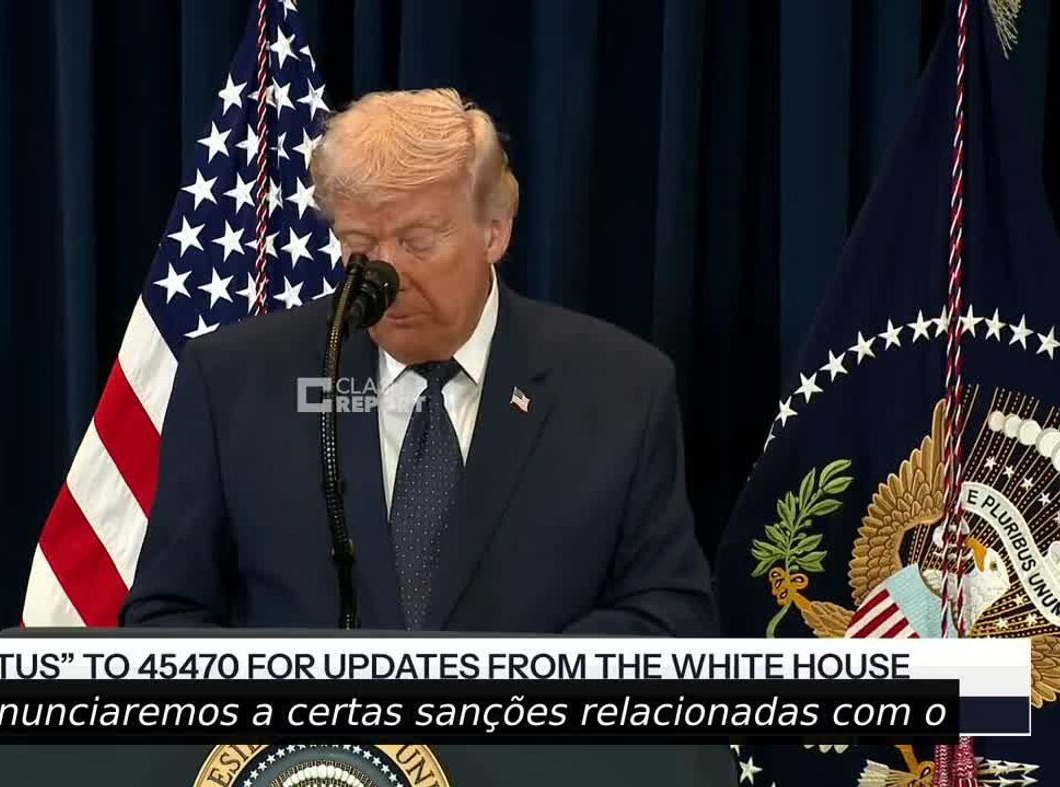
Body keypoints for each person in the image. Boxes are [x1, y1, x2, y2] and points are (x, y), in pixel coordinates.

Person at [121, 88, 714, 634]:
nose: (386, 275)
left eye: (417, 242)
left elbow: (670, 612)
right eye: (360, 245)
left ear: (494, 232)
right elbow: (166, 617)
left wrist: (517, 685)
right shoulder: (236, 381)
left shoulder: (620, 389)